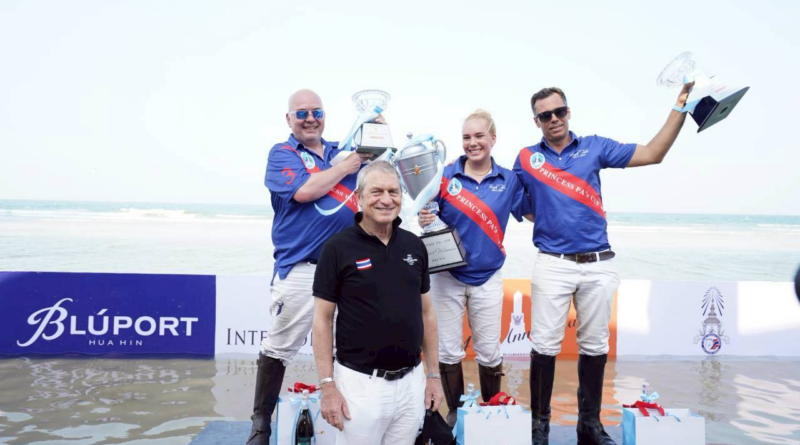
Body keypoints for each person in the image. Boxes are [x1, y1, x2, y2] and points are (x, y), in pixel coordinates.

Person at [513, 85, 694, 445]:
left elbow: (653, 153)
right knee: (544, 346)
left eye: (559, 111)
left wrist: (680, 107)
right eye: (545, 115)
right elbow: (522, 206)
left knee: (595, 346)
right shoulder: (526, 158)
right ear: (536, 121)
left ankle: (589, 426)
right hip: (552, 264)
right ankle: (539, 427)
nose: (553, 119)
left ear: (568, 112)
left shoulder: (594, 146)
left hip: (598, 263)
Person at [246, 89, 372, 444]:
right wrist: (347, 165)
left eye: (317, 111)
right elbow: (304, 191)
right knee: (279, 346)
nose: (310, 118)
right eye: (301, 113)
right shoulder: (283, 153)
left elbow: (378, 178)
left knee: (349, 346)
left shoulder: (341, 150)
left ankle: (350, 420)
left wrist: (377, 131)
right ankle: (260, 424)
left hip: (347, 269)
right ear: (289, 119)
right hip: (301, 267)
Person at [312, 160, 445, 445]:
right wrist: (327, 386)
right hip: (359, 387)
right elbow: (322, 320)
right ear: (359, 197)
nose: (386, 200)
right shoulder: (336, 248)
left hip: (411, 385)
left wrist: (433, 375)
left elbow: (427, 313)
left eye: (393, 192)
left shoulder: (415, 246)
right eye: (376, 192)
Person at [418, 109, 532, 426]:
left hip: (488, 276)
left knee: (490, 352)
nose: (473, 143)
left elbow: (533, 213)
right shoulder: (443, 175)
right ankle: (456, 414)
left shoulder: (509, 180)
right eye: (466, 137)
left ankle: (491, 412)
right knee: (448, 351)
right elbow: (427, 214)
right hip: (446, 276)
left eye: (479, 136)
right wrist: (424, 217)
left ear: (493, 138)